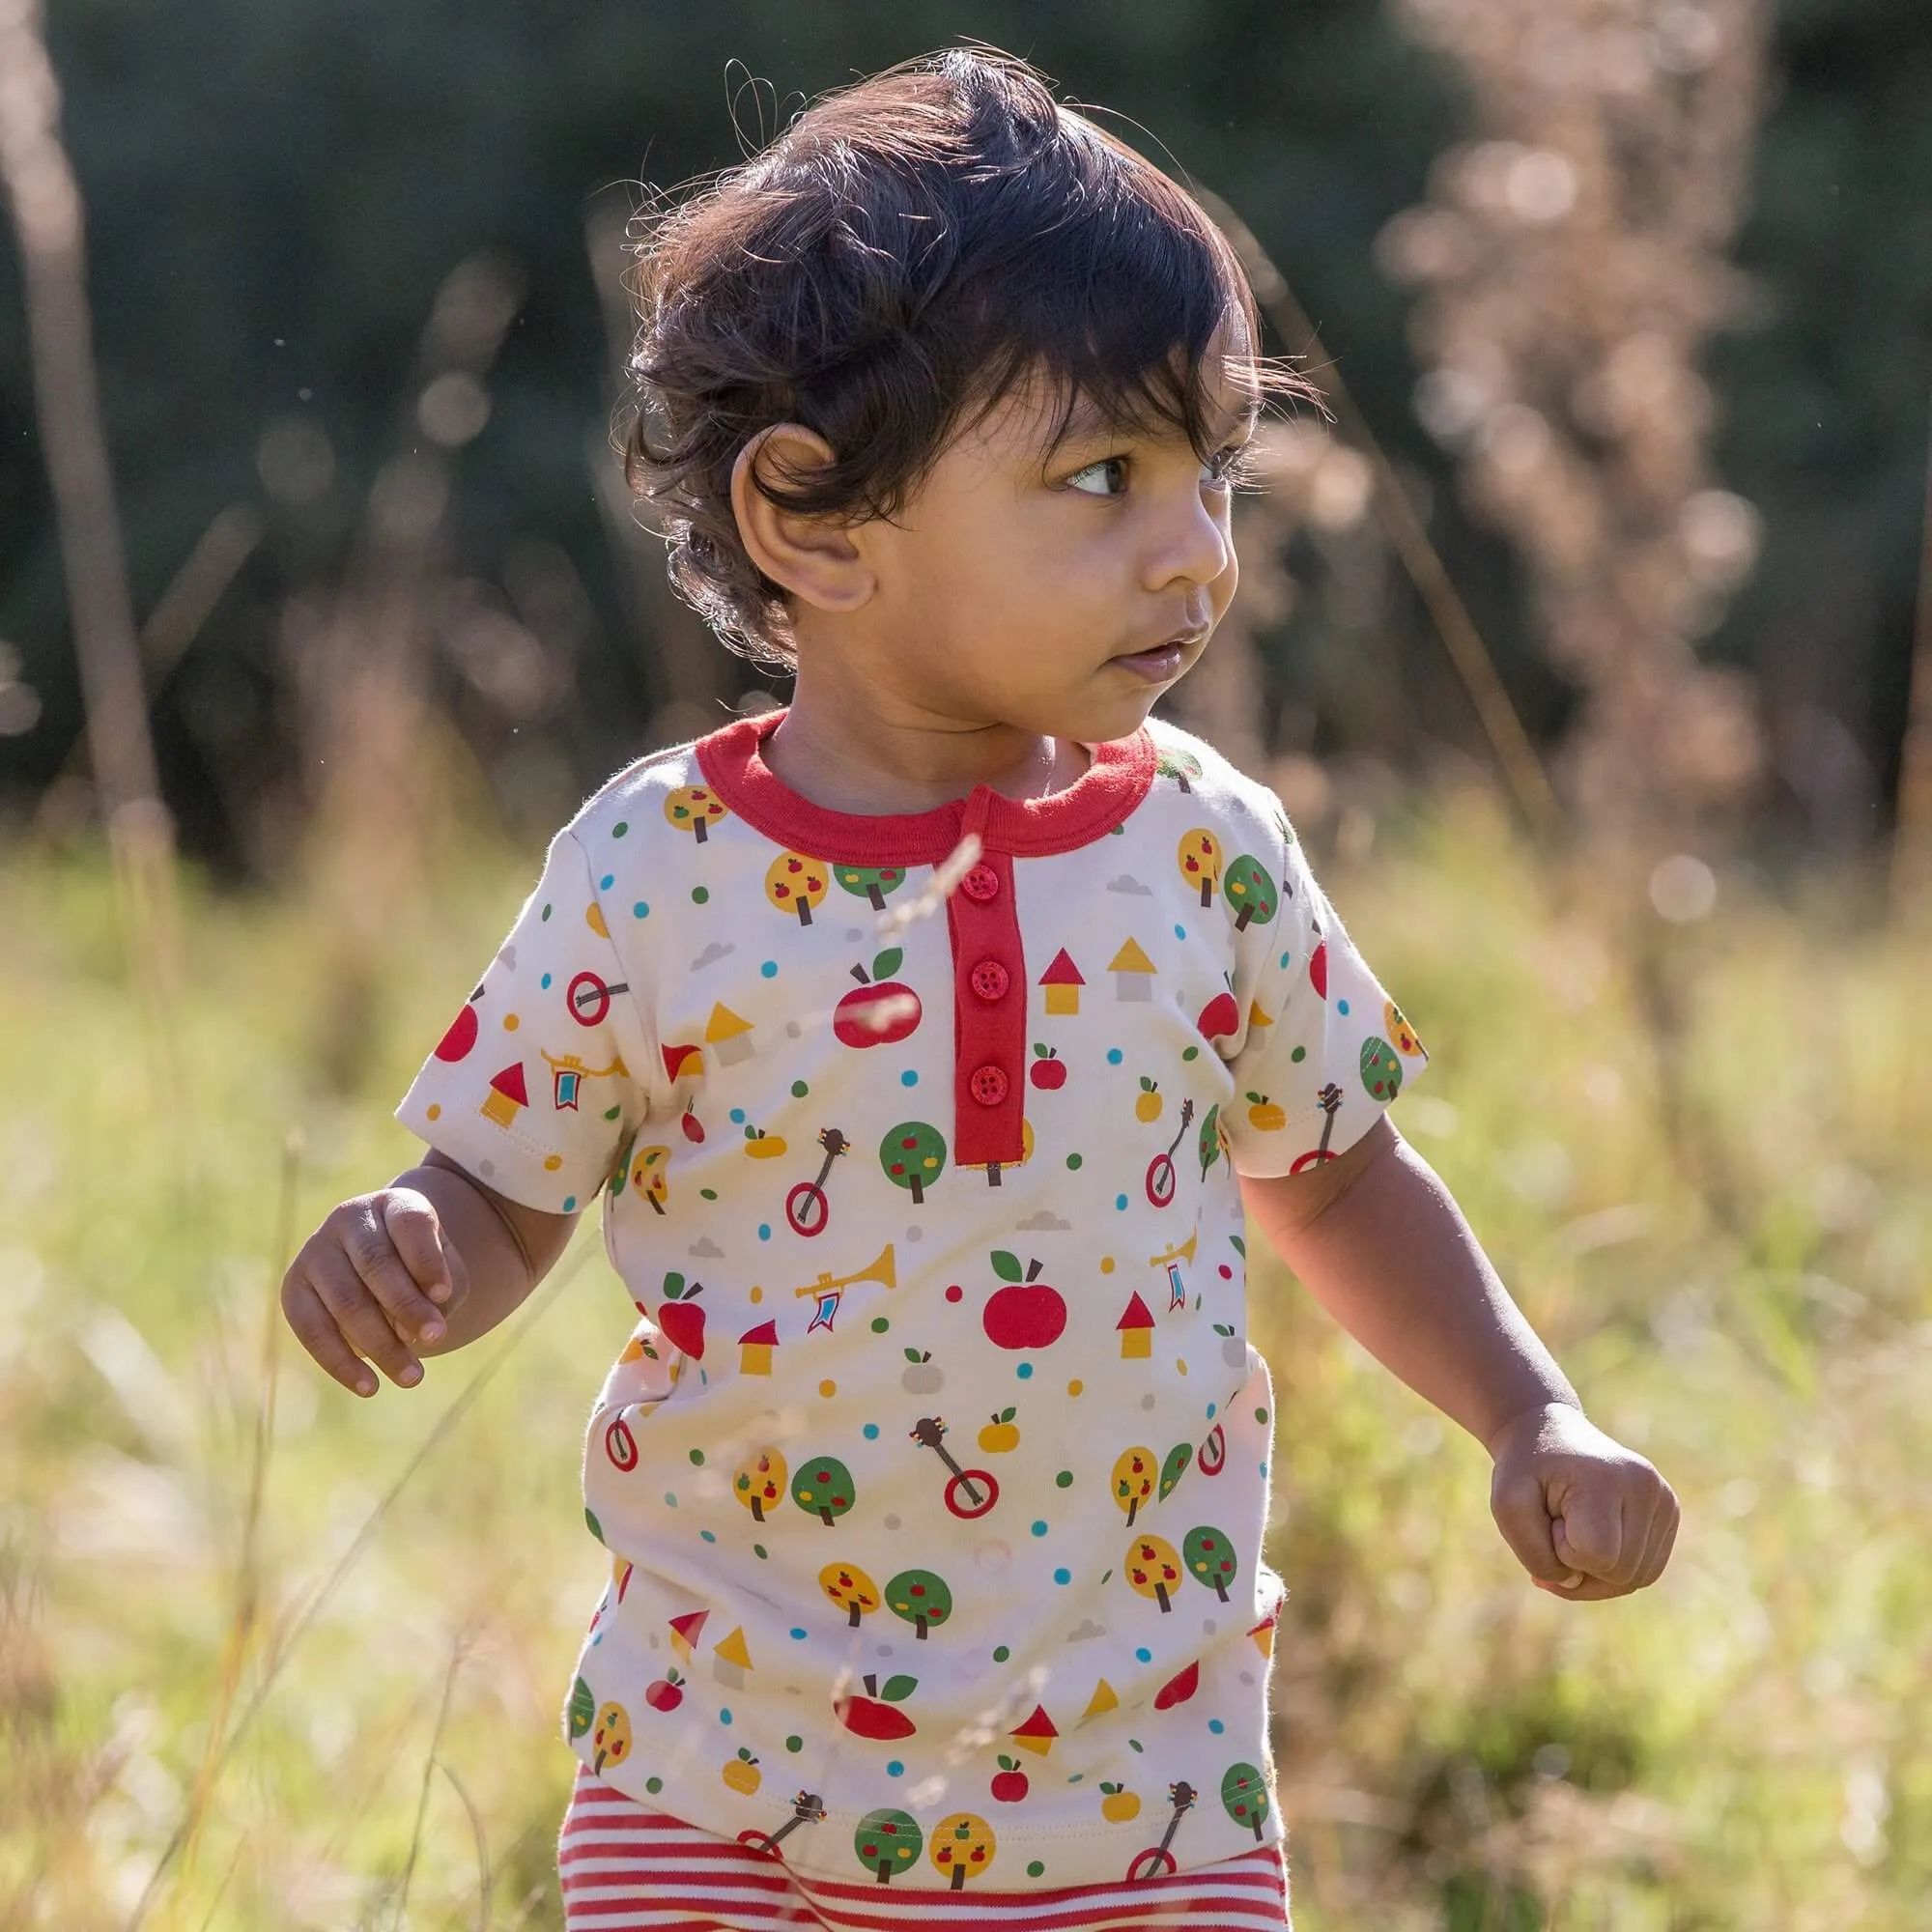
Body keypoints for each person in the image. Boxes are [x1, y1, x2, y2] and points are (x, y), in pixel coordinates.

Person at [280, 46, 1678, 1931]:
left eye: (1215, 471)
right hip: (723, 1787)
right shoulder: (660, 868)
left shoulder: (1206, 845)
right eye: (1102, 477)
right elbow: (510, 1185)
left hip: (1151, 1793)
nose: (1193, 548)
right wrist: (410, 1239)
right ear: (813, 520)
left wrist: (1529, 1412)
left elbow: (1334, 1173)